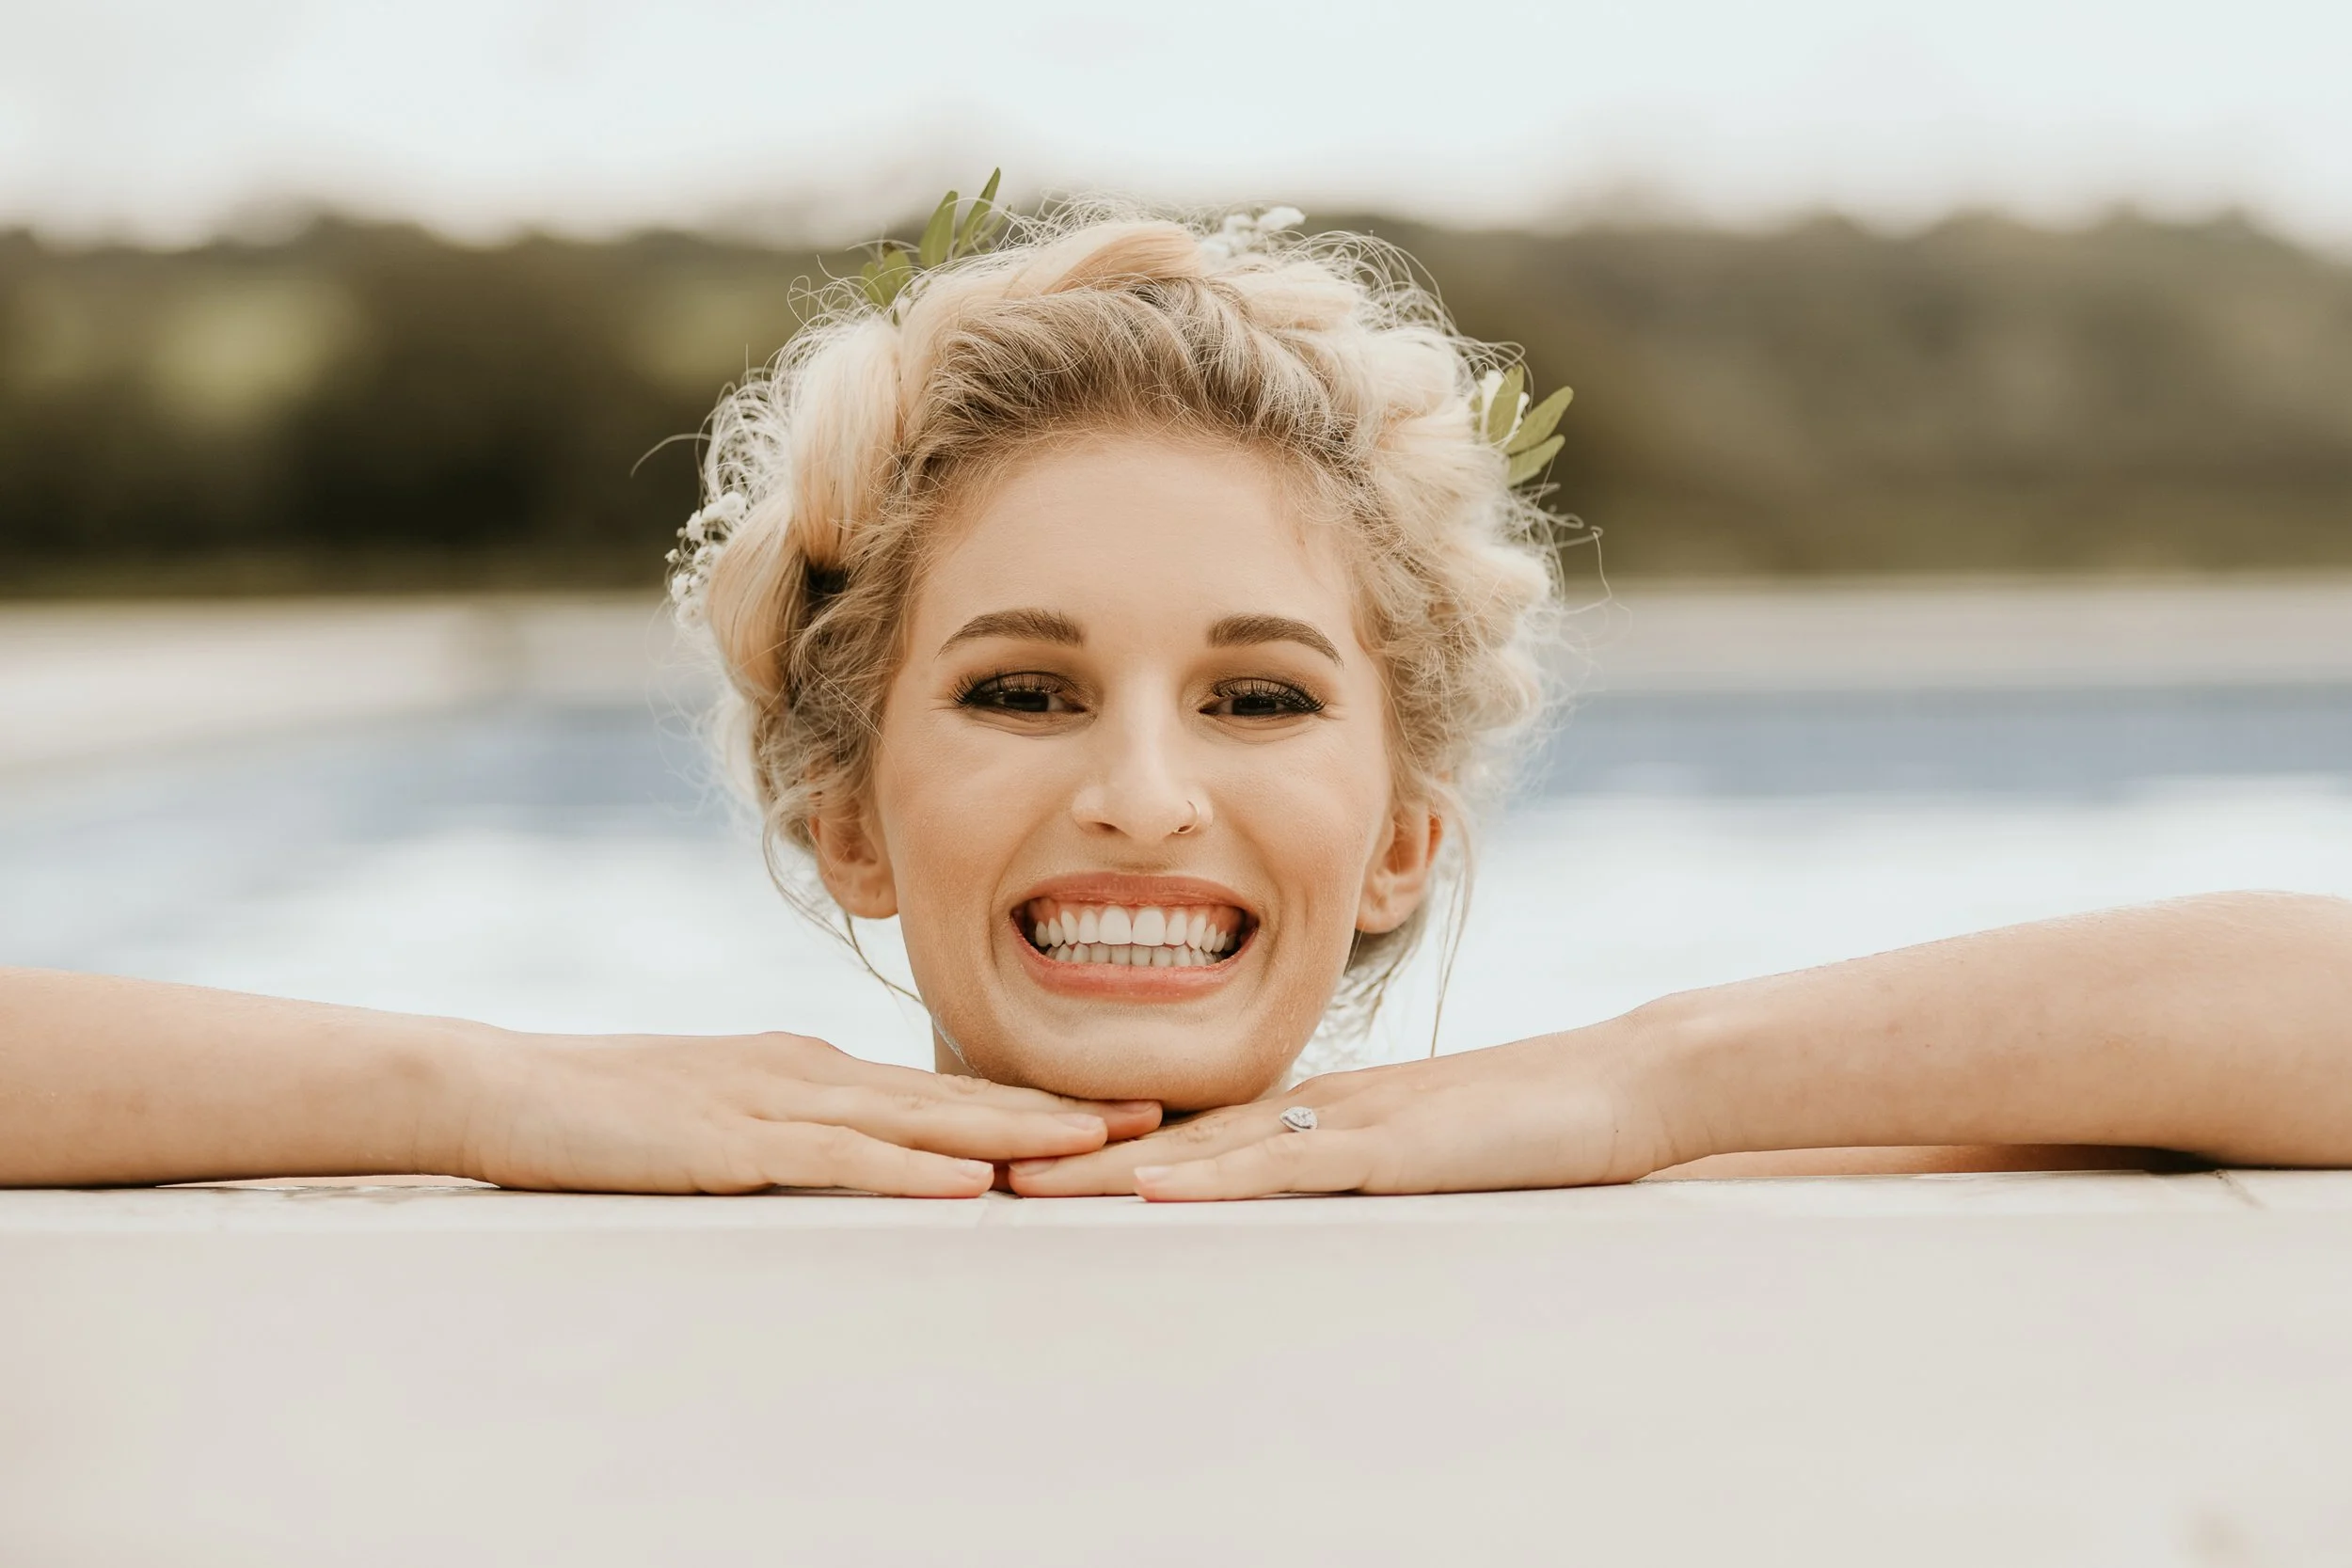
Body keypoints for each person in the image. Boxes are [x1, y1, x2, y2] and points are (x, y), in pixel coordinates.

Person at [5, 197, 2349, 1198]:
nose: (1142, 795)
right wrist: (478, 1084)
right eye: (1021, 691)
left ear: (1406, 824)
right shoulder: (646, 1146)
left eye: (1256, 699)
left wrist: (1648, 1075)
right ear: (842, 807)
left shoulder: (1596, 1150)